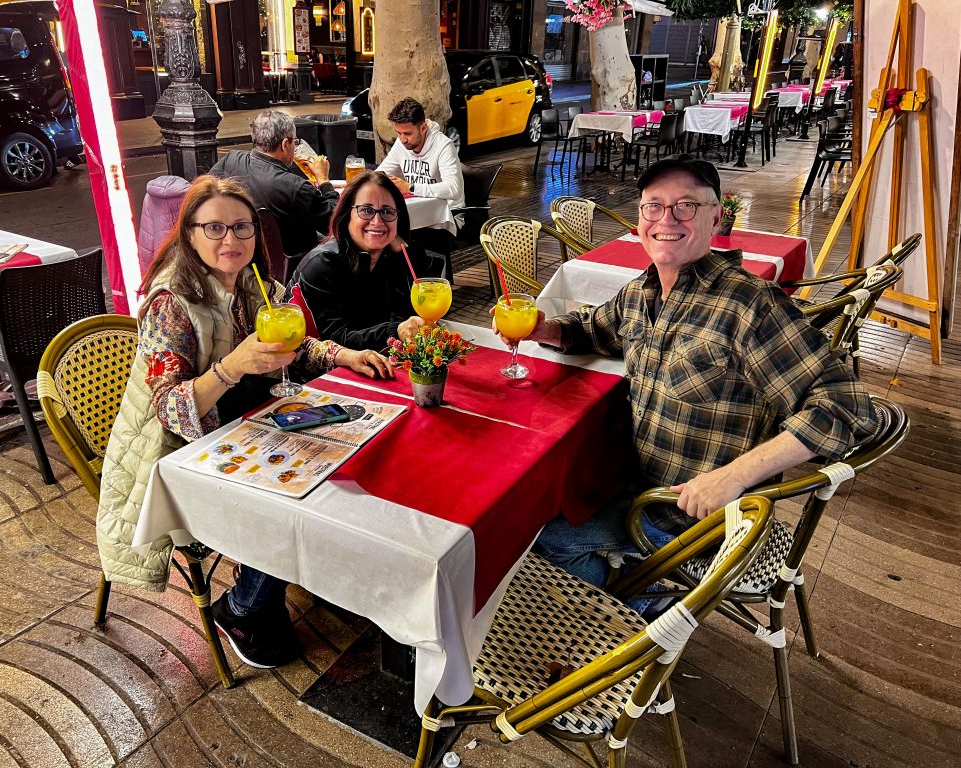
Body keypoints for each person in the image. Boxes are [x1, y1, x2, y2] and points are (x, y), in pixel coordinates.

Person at [500, 155, 879, 601]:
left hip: (690, 513)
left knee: (534, 537)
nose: (667, 219)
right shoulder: (643, 291)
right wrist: (544, 328)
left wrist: (733, 477)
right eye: (653, 206)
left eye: (686, 206)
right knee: (532, 500)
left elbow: (846, 407)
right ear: (639, 218)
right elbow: (596, 329)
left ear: (716, 216)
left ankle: (641, 613)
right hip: (632, 479)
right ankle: (635, 594)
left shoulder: (747, 304)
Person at [97, 176, 393, 669]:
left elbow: (295, 348)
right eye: (213, 228)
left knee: (350, 454)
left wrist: (345, 354)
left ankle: (297, 567)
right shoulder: (171, 304)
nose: (230, 240)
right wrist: (233, 365)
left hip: (252, 424)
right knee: (284, 496)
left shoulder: (258, 285)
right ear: (188, 233)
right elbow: (168, 407)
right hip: (175, 452)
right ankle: (242, 606)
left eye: (241, 227)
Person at [293, 170, 438, 351]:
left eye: (387, 211)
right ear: (346, 215)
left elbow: (412, 310)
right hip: (316, 373)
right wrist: (395, 331)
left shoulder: (389, 257)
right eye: (366, 211)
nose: (377, 221)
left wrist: (404, 251)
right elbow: (335, 339)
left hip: (376, 363)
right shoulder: (323, 264)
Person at [209, 109, 338, 262]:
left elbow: (203, 192)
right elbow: (334, 223)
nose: (295, 147)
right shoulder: (295, 187)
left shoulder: (230, 160)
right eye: (294, 142)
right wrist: (324, 180)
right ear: (285, 144)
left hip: (244, 253)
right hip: (294, 263)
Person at [376, 97, 464, 276]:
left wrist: (411, 188)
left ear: (423, 128)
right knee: (382, 230)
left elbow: (454, 189)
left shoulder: (443, 146)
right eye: (398, 133)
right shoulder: (402, 145)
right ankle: (407, 283)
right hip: (418, 212)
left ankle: (428, 271)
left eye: (407, 133)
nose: (402, 139)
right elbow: (381, 173)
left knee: (392, 233)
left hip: (447, 217)